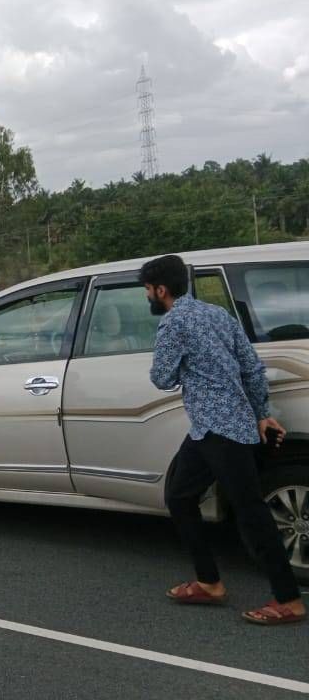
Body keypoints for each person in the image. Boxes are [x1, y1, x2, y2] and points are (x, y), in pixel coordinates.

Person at [142, 254, 304, 625]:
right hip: (210, 429)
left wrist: (179, 363)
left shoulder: (174, 323)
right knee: (180, 496)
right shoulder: (218, 315)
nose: (147, 297)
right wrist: (262, 412)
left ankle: (289, 600)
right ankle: (209, 582)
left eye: (148, 290)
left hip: (222, 432)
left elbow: (162, 378)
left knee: (251, 512)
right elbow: (251, 366)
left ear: (161, 290)